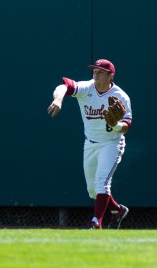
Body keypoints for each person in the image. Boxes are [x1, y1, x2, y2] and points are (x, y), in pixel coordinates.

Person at [47, 59, 132, 229]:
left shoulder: (120, 96)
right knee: (93, 191)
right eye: (94, 71)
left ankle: (96, 222)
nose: (96, 74)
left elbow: (127, 126)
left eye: (100, 72)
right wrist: (58, 99)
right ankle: (117, 210)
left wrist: (115, 125)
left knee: (102, 182)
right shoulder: (87, 88)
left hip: (111, 143)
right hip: (90, 143)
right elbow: (63, 87)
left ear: (110, 76)